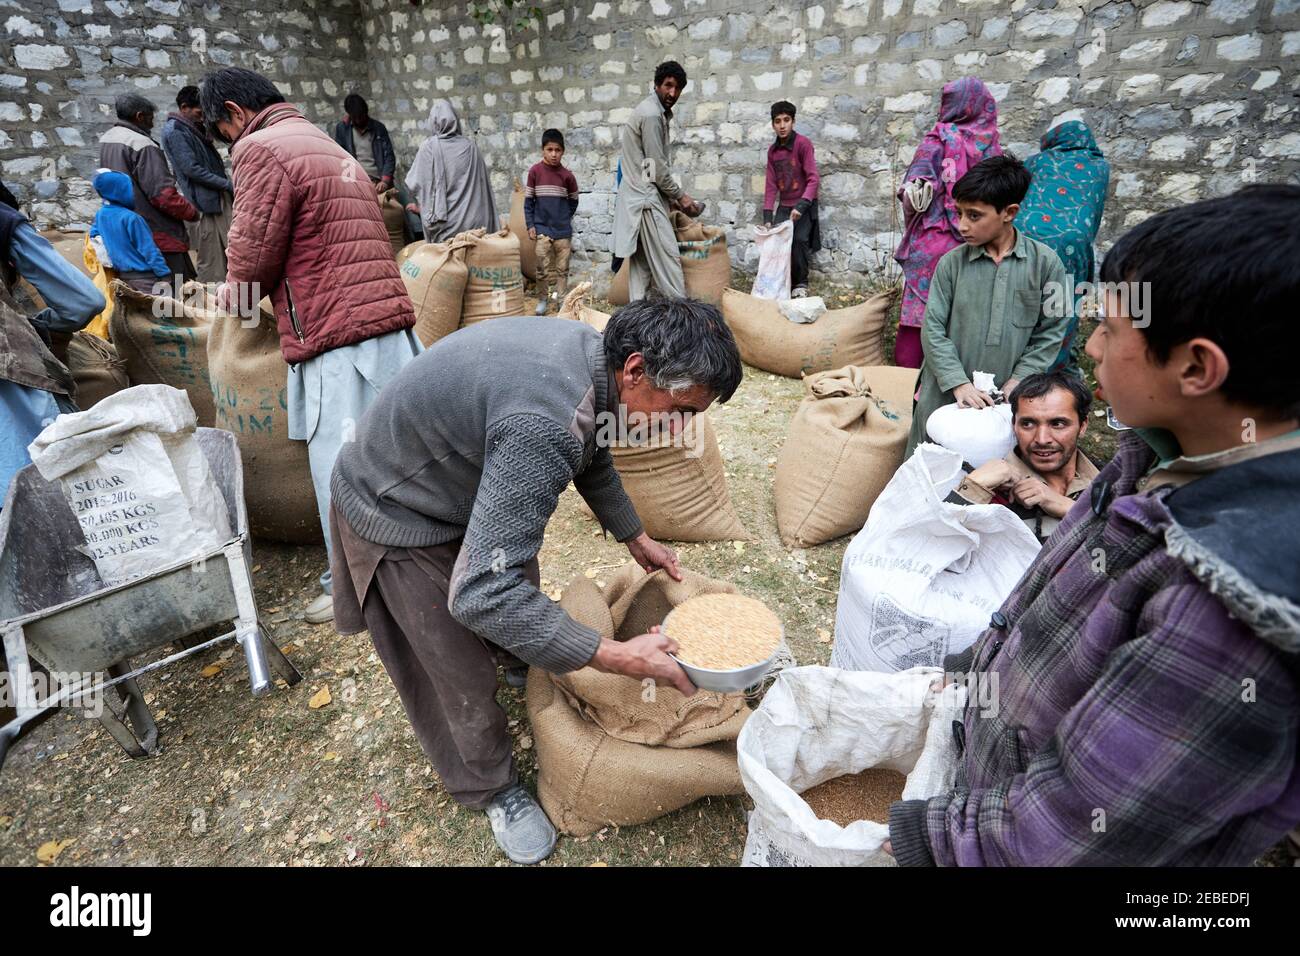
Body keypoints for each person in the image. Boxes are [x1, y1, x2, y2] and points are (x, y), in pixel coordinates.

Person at [887, 184, 1300, 867]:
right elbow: (1050, 592)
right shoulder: (1157, 451)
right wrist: (972, 673)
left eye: (1110, 330)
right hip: (995, 773)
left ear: (1196, 366)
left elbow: (1068, 832)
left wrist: (918, 840)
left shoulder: (1231, 608)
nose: (1092, 346)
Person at [329, 298, 743, 864]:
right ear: (637, 370)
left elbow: (590, 454)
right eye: (683, 409)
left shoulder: (593, 366)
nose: (683, 428)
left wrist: (634, 537)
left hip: (459, 486)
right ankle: (491, 787)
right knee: (456, 667)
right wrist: (616, 657)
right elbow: (481, 593)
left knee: (515, 574)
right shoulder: (543, 422)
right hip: (395, 505)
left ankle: (520, 660)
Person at [201, 67, 421, 625]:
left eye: (222, 130)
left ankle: (354, 590)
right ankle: (416, 571)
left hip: (337, 339)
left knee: (340, 474)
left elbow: (251, 266)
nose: (228, 143)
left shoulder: (260, 150)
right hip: (387, 329)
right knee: (402, 463)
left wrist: (222, 302)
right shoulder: (324, 142)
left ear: (234, 112)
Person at [904, 154, 1069, 458]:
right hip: (944, 390)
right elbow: (933, 329)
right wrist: (958, 383)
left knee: (991, 472)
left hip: (1005, 397)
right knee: (928, 463)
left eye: (974, 215)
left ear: (1009, 212)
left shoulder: (1047, 265)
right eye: (959, 214)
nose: (962, 225)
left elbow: (1052, 329)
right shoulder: (951, 264)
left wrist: (1020, 379)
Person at [892, 77, 1001, 369]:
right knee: (962, 320)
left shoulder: (937, 139)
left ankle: (906, 382)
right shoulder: (992, 145)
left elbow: (917, 180)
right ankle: (953, 384)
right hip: (978, 245)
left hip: (932, 244)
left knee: (918, 320)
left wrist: (915, 190)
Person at [1, 199, 107, 498]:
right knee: (45, 490)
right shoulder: (4, 220)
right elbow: (84, 301)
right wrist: (37, 326)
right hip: (11, 378)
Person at [948, 370, 1098, 543]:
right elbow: (930, 552)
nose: (1042, 439)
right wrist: (973, 488)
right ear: (1014, 425)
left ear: (1083, 425)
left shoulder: (1113, 480)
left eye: (1057, 424)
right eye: (1028, 424)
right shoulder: (992, 491)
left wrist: (1068, 508)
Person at [1020, 120, 1110, 374]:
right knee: (1062, 305)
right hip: (1072, 242)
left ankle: (1019, 363)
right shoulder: (1100, 166)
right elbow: (1093, 214)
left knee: (1022, 301)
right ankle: (1053, 367)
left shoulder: (1034, 162)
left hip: (1024, 235)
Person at [612, 60, 702, 302]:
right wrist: (681, 197)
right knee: (669, 259)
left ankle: (635, 321)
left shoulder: (653, 111)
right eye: (668, 86)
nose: (672, 93)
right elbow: (655, 170)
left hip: (639, 197)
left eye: (678, 88)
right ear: (657, 85)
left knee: (641, 268)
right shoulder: (652, 115)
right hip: (644, 200)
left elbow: (647, 167)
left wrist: (669, 198)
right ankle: (683, 318)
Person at [98, 93, 199, 286]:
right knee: (176, 291)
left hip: (125, 233)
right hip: (156, 231)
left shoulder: (108, 140)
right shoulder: (142, 144)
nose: (152, 125)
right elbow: (162, 195)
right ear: (139, 117)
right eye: (150, 119)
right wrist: (191, 212)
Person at [161, 85, 234, 282]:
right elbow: (191, 169)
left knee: (233, 253)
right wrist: (226, 184)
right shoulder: (175, 131)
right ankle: (213, 309)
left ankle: (238, 304)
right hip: (204, 203)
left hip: (215, 198)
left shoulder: (192, 128)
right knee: (212, 261)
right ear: (184, 107)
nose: (203, 116)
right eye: (199, 112)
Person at [404, 99, 497, 243]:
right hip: (475, 224)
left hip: (445, 228)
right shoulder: (471, 147)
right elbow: (484, 190)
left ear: (433, 121)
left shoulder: (428, 148)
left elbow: (414, 183)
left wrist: (424, 207)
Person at [762, 100, 820, 298]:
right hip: (784, 206)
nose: (782, 125)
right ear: (773, 125)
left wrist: (802, 205)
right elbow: (770, 185)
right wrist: (768, 216)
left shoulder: (803, 144)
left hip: (804, 204)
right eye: (777, 121)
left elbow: (813, 179)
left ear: (793, 121)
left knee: (799, 241)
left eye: (786, 120)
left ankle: (801, 284)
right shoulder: (772, 151)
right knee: (777, 243)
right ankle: (780, 284)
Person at [88, 170, 172, 294]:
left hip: (123, 277)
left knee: (132, 311)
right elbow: (149, 250)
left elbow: (94, 234)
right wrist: (164, 273)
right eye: (129, 189)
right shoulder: (132, 219)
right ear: (119, 191)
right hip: (146, 278)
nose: (133, 193)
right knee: (165, 310)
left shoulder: (101, 214)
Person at [524, 128, 579, 315]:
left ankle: (562, 300)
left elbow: (574, 201)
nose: (554, 154)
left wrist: (563, 216)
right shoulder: (535, 172)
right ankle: (542, 300)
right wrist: (531, 225)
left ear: (563, 151)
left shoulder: (567, 176)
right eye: (550, 149)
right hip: (542, 230)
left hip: (563, 231)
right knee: (541, 268)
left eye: (558, 150)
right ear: (543, 150)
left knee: (562, 269)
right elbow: (528, 201)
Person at [331, 93, 396, 194]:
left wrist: (385, 181)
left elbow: (389, 156)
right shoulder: (343, 129)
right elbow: (340, 157)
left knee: (392, 209)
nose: (359, 120)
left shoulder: (378, 128)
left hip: (378, 180)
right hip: (356, 181)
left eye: (362, 116)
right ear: (350, 115)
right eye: (356, 117)